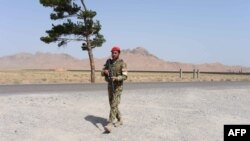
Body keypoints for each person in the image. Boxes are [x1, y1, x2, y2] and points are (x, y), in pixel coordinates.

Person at [101, 46, 128, 133]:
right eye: (112, 52)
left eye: (115, 53)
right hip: (110, 86)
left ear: (119, 54)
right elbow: (102, 72)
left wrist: (116, 78)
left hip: (118, 87)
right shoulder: (108, 62)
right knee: (112, 104)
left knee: (114, 104)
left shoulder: (122, 63)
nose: (113, 54)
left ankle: (110, 123)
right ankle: (120, 120)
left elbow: (125, 76)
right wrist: (104, 72)